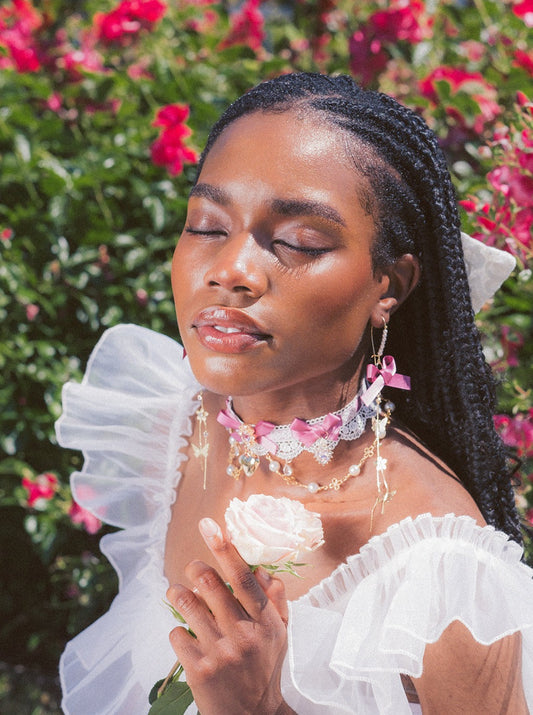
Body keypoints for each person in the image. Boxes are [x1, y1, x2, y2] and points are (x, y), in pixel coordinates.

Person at [56, 73, 533, 714]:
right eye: (205, 225)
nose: (230, 271)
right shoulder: (177, 428)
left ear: (388, 285)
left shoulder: (442, 576)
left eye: (298, 242)